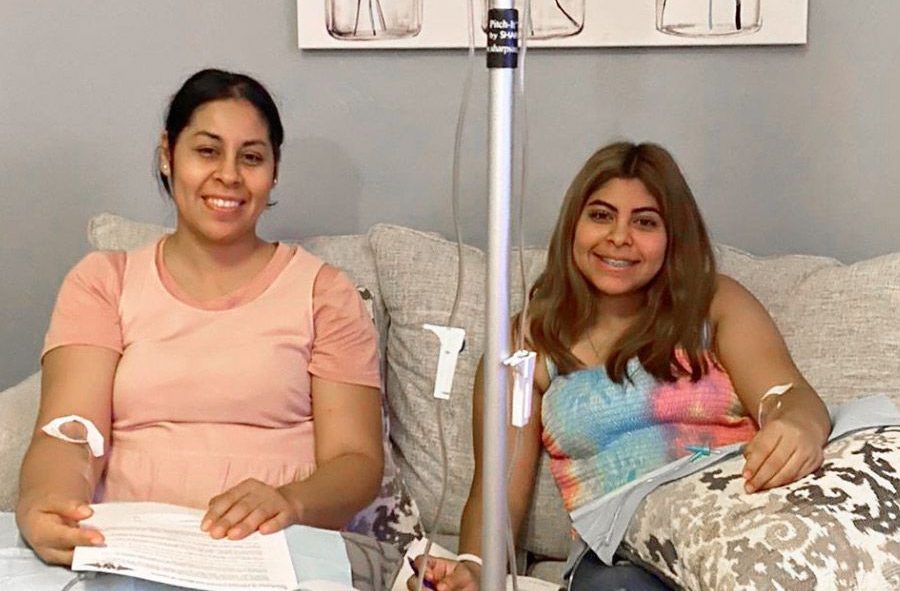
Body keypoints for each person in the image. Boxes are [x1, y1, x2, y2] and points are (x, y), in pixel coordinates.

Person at [412, 141, 831, 591]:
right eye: (600, 215)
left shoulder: (714, 303)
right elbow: (497, 487)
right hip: (622, 559)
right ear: (573, 225)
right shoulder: (527, 342)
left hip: (740, 529)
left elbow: (788, 397)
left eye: (644, 222)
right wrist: (476, 567)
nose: (618, 237)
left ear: (673, 236)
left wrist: (799, 426)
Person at [16, 68, 384, 567]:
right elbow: (71, 432)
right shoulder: (103, 282)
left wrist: (291, 503)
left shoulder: (325, 293)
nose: (229, 175)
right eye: (207, 151)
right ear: (168, 155)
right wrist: (47, 505)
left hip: (276, 554)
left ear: (274, 171)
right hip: (131, 552)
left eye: (251, 157)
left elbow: (355, 462)